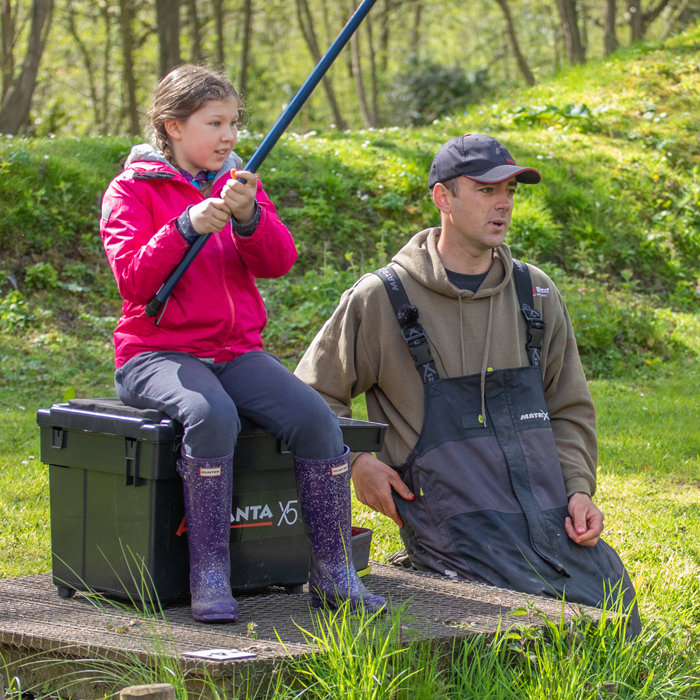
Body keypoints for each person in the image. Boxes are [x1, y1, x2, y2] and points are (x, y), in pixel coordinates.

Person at [296, 134, 640, 634]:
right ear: (443, 198)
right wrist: (356, 463)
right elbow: (310, 398)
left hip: (546, 517)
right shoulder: (382, 298)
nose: (503, 203)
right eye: (485, 189)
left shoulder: (535, 292)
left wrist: (580, 491)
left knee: (616, 608)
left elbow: (568, 409)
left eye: (511, 191)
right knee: (535, 627)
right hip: (454, 529)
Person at [99, 65, 385, 623]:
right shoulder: (132, 191)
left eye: (234, 122)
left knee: (316, 419)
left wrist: (249, 215)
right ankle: (209, 576)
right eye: (215, 123)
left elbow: (279, 262)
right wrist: (185, 226)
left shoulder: (239, 183)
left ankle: (333, 572)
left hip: (235, 350)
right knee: (212, 415)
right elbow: (132, 279)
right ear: (172, 126)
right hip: (155, 354)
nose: (230, 136)